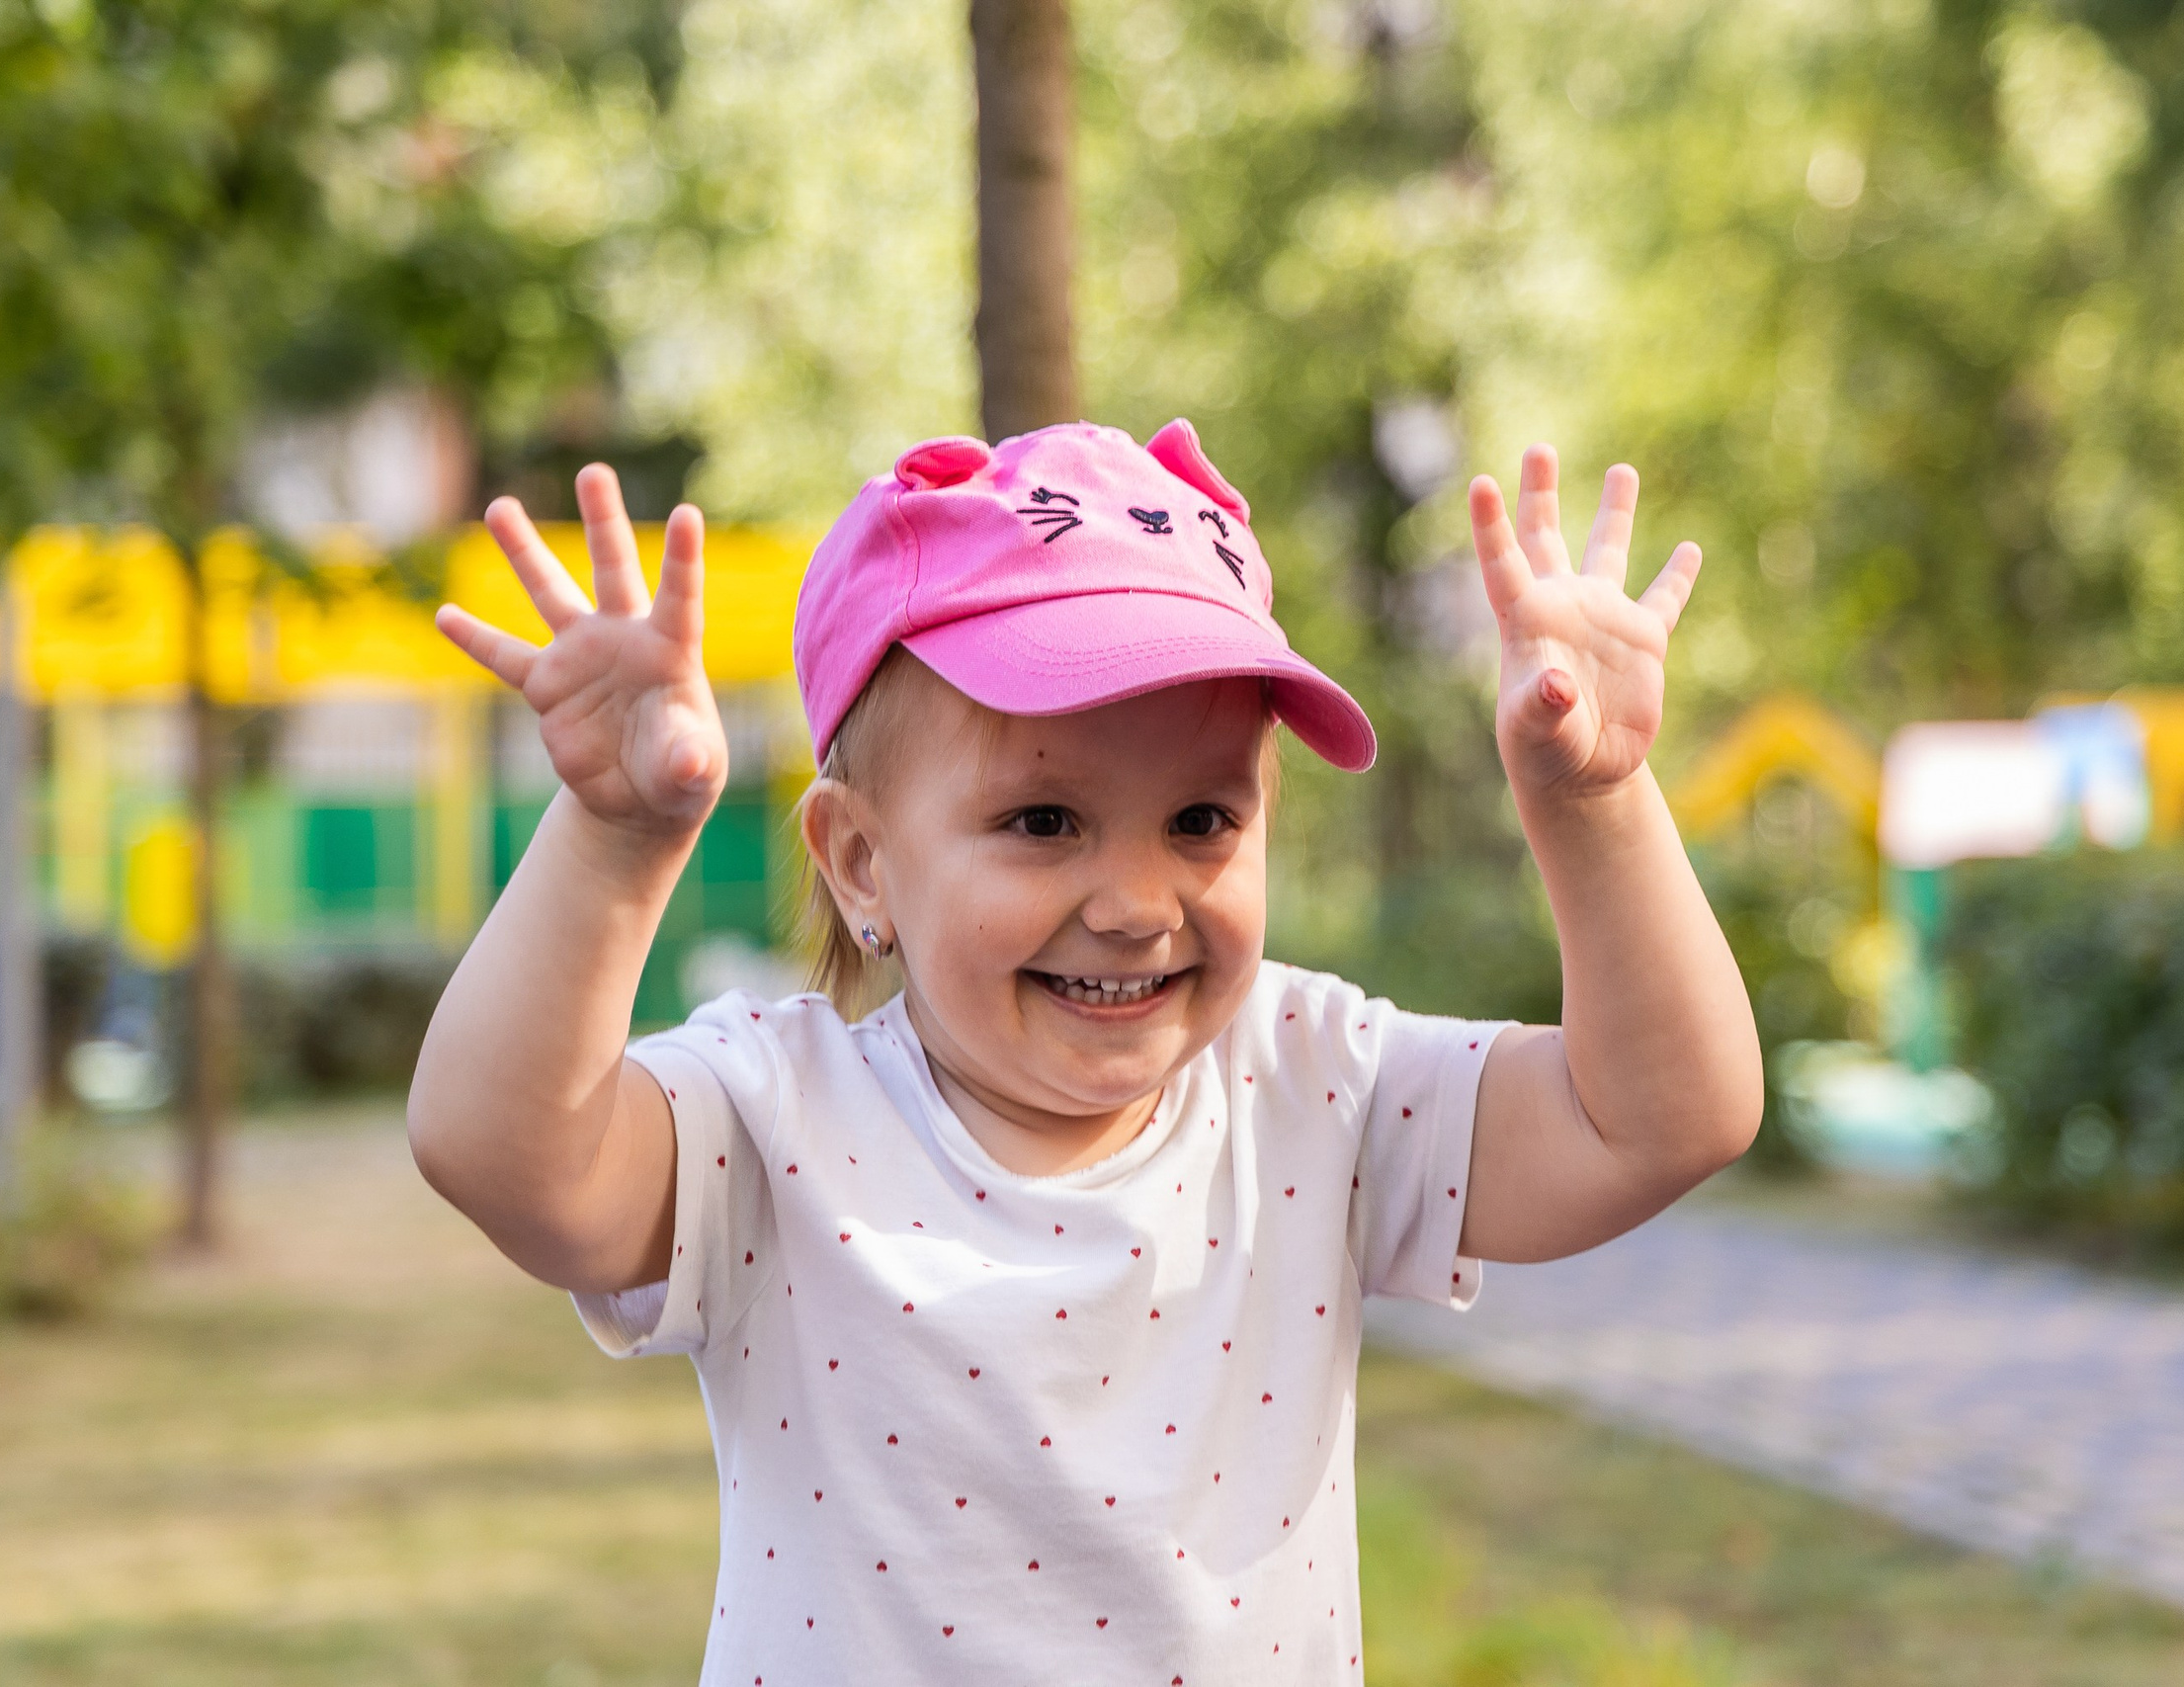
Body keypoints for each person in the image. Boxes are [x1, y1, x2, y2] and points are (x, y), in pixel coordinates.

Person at [410, 418, 1762, 1684]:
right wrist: (614, 840)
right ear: (863, 862)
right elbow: (504, 1155)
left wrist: (1597, 804)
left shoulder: (1317, 1086)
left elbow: (1661, 1118)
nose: (1134, 902)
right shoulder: (775, 1120)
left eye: (1202, 821)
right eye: (1046, 821)